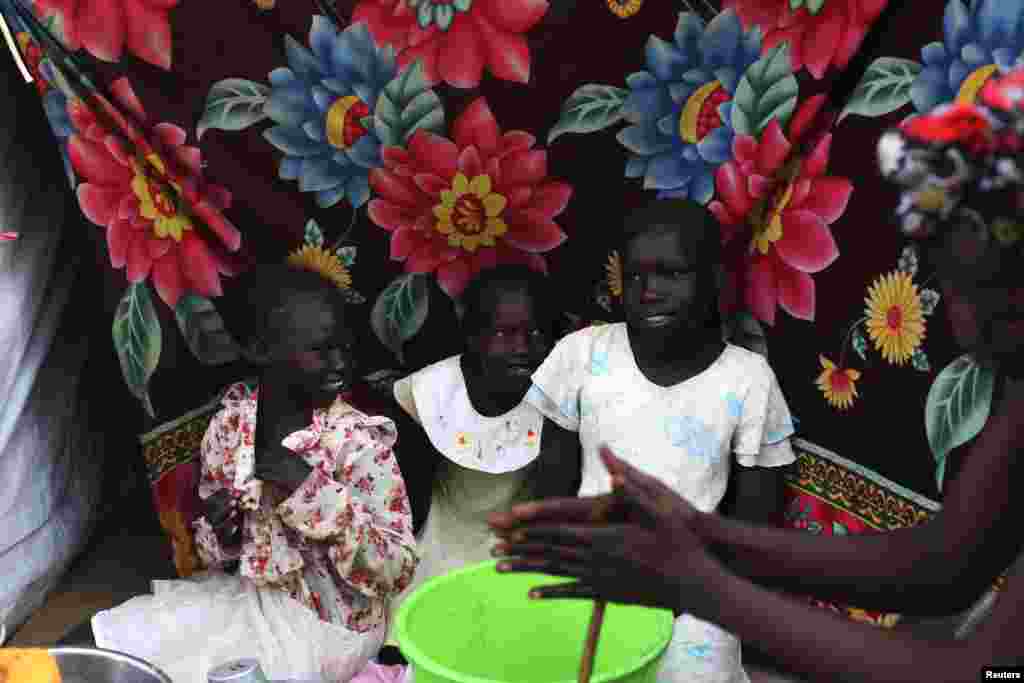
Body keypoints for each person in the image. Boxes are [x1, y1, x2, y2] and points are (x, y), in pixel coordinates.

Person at [489, 70, 1024, 682]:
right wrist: (698, 534)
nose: (956, 319)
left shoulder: (744, 379)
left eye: (968, 285)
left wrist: (700, 586)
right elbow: (943, 563)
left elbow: (987, 671)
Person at [91, 263, 419, 683]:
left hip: (333, 630)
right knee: (126, 638)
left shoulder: (357, 444)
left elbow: (396, 569)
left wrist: (308, 488)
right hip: (253, 601)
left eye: (344, 347)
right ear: (260, 350)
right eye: (320, 350)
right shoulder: (229, 431)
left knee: (207, 669)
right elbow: (221, 558)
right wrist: (222, 535)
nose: (340, 362)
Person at [517, 199, 797, 683]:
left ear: (713, 281)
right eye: (636, 277)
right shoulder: (582, 355)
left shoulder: (748, 379)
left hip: (694, 589)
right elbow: (551, 484)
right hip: (591, 572)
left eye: (671, 274)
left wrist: (704, 587)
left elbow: (758, 522)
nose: (649, 292)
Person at [377, 265, 581, 664]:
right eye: (504, 334)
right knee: (419, 628)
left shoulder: (557, 397)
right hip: (440, 533)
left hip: (516, 541)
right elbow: (404, 497)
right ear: (472, 337)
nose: (523, 346)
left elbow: (557, 500)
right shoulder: (432, 392)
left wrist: (560, 425)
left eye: (537, 333)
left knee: (518, 634)